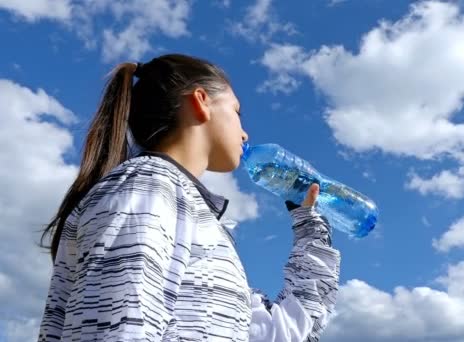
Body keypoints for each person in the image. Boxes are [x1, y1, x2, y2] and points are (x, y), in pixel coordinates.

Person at [37, 54, 340, 341]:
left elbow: (285, 332)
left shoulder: (192, 214)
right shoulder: (147, 186)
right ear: (201, 101)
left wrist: (309, 229)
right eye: (237, 112)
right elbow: (116, 328)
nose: (245, 134)